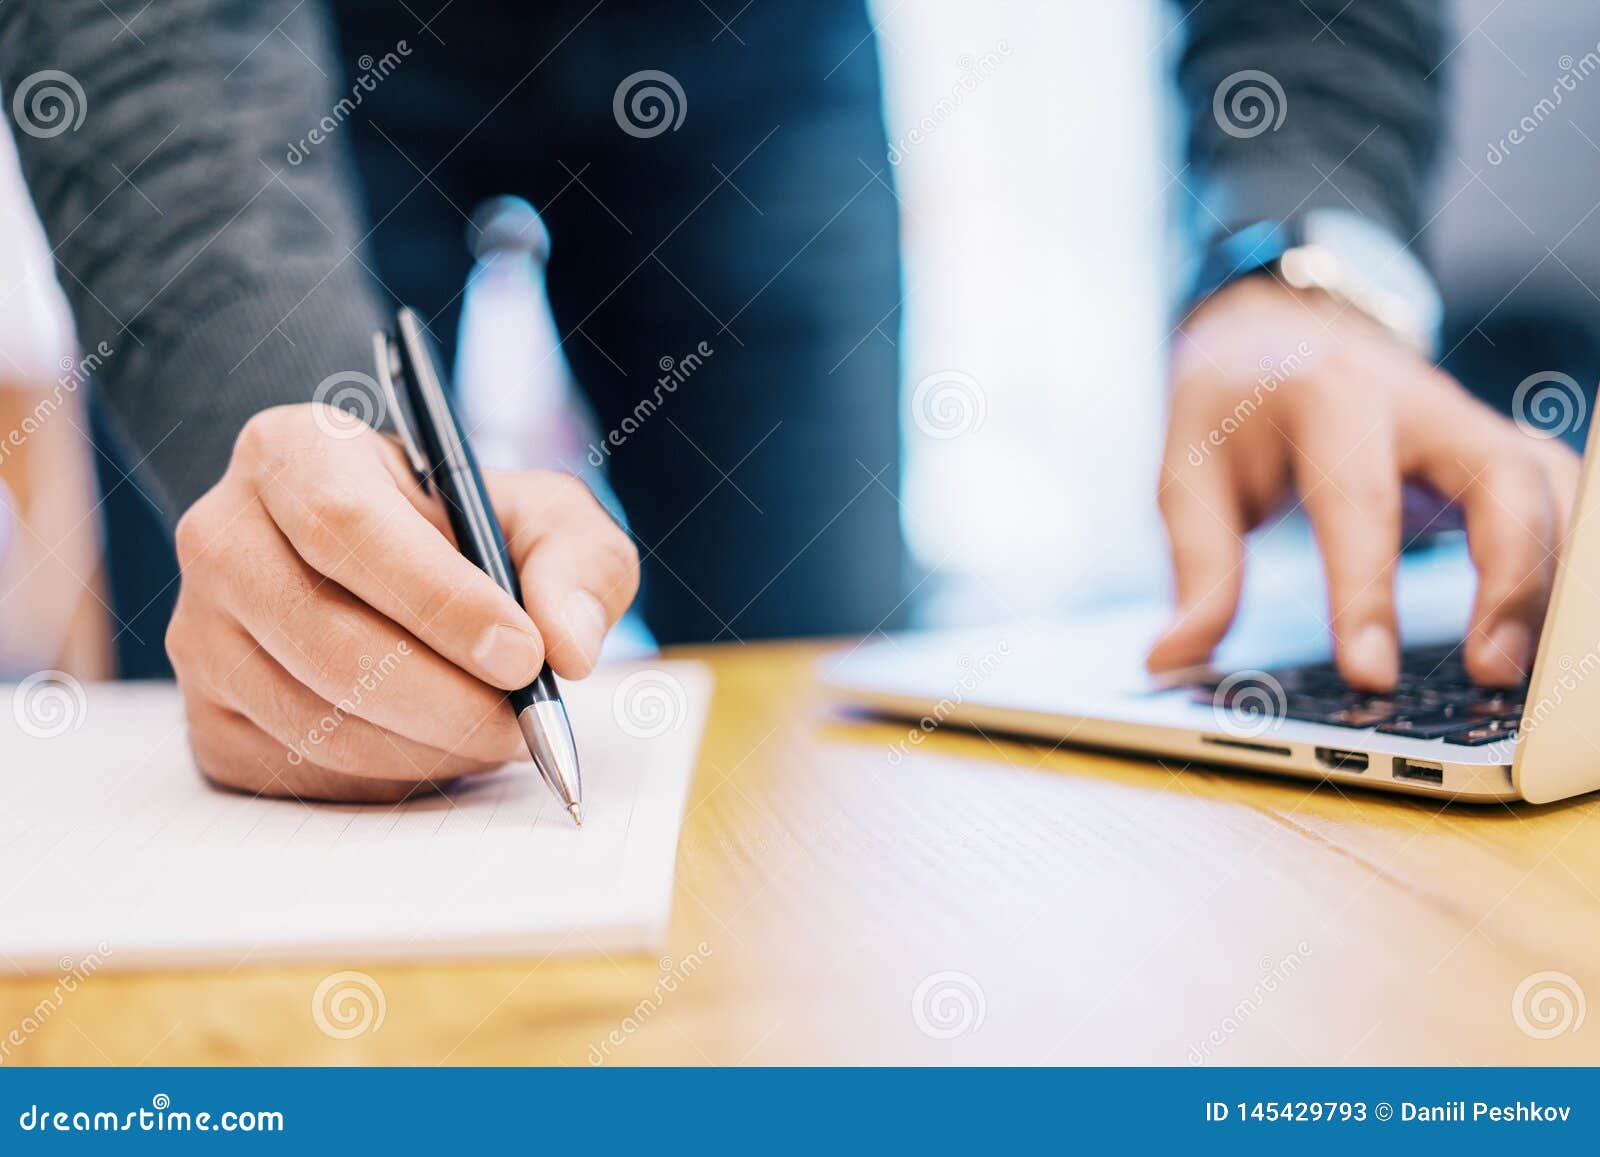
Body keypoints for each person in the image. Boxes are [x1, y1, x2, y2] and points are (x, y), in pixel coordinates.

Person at [0, 0, 1575, 802]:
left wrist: (1299, 246)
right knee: (294, 665)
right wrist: (275, 424)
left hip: (749, 52)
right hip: (280, 64)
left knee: (838, 751)